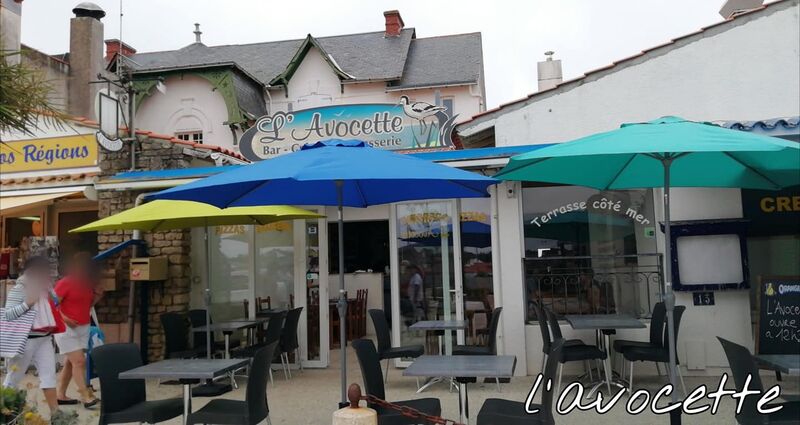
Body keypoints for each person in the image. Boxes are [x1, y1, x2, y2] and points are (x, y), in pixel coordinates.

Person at [3, 256, 62, 416]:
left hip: (44, 338)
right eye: (44, 270)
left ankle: (56, 415)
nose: (47, 274)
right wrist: (27, 304)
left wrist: (52, 296)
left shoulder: (46, 288)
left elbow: (56, 305)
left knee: (49, 376)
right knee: (14, 378)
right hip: (25, 340)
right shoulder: (20, 288)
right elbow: (8, 314)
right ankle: (4, 412)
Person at [53, 252, 101, 408]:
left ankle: (60, 395)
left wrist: (98, 296)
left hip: (83, 327)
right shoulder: (65, 283)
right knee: (79, 361)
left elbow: (87, 305)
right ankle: (86, 396)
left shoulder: (87, 284)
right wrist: (65, 319)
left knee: (71, 362)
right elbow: (53, 305)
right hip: (65, 328)